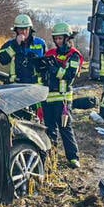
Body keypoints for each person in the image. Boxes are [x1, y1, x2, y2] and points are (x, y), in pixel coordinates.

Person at [42, 22, 83, 168]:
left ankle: (73, 157)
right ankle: (50, 156)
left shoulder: (74, 55)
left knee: (65, 129)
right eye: (56, 39)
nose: (58, 41)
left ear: (67, 38)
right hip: (48, 97)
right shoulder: (50, 54)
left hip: (63, 99)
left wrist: (55, 70)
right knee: (49, 129)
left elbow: (70, 75)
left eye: (60, 38)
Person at [0, 14, 46, 84]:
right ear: (16, 30)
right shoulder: (10, 44)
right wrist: (15, 45)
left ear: (30, 29)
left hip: (35, 86)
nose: (23, 32)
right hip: (16, 85)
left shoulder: (40, 43)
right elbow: (2, 60)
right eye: (20, 29)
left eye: (26, 28)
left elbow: (46, 65)